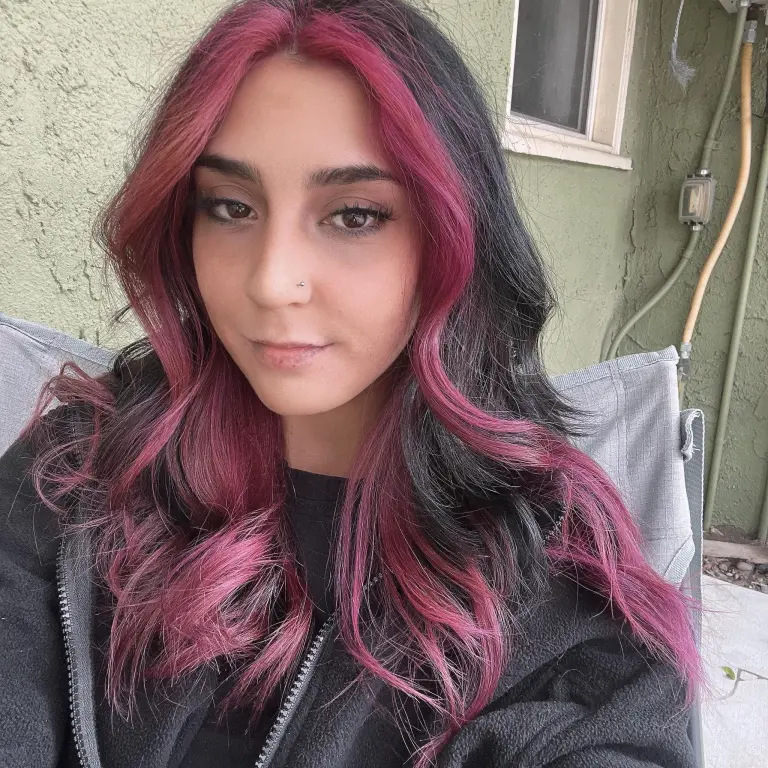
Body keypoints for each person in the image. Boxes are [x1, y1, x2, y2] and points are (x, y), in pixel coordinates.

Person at [0, 1, 703, 766]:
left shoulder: (553, 589)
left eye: (355, 216)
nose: (271, 281)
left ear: (453, 237)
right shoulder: (78, 474)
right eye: (231, 207)